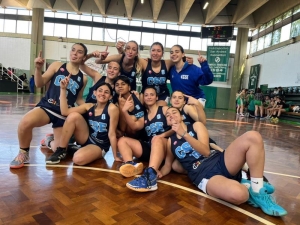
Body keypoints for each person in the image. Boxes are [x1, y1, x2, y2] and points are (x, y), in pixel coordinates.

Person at [126, 106, 287, 217]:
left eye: (174, 112)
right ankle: (247, 186)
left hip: (219, 161)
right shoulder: (170, 142)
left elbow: (205, 150)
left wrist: (185, 134)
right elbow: (169, 165)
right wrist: (158, 173)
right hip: (203, 175)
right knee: (240, 194)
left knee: (253, 137)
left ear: (181, 115)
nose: (171, 116)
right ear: (167, 122)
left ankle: (258, 190)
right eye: (167, 115)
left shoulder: (195, 126)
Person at [10, 43, 88, 169]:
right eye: (73, 50)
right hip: (48, 107)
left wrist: (92, 108)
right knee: (24, 123)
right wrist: (38, 68)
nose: (74, 53)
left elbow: (78, 98)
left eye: (79, 52)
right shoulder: (58, 65)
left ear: (84, 57)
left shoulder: (83, 78)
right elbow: (39, 83)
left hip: (63, 114)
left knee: (59, 149)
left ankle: (49, 141)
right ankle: (23, 153)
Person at [46, 77, 120, 164]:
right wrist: (63, 89)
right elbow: (65, 112)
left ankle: (73, 148)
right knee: (73, 116)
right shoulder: (88, 106)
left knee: (78, 159)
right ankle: (61, 150)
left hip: (99, 145)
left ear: (110, 96)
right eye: (100, 91)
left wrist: (115, 156)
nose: (102, 94)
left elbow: (112, 133)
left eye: (106, 92)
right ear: (95, 93)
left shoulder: (112, 109)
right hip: (86, 138)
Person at [117, 86, 172, 177]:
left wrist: (161, 136)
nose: (149, 97)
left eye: (152, 95)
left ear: (156, 97)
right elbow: (134, 127)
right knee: (122, 140)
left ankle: (151, 173)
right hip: (151, 147)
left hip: (166, 147)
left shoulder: (164, 109)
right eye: (146, 95)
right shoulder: (145, 117)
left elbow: (175, 128)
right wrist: (125, 111)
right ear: (144, 98)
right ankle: (131, 165)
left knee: (156, 139)